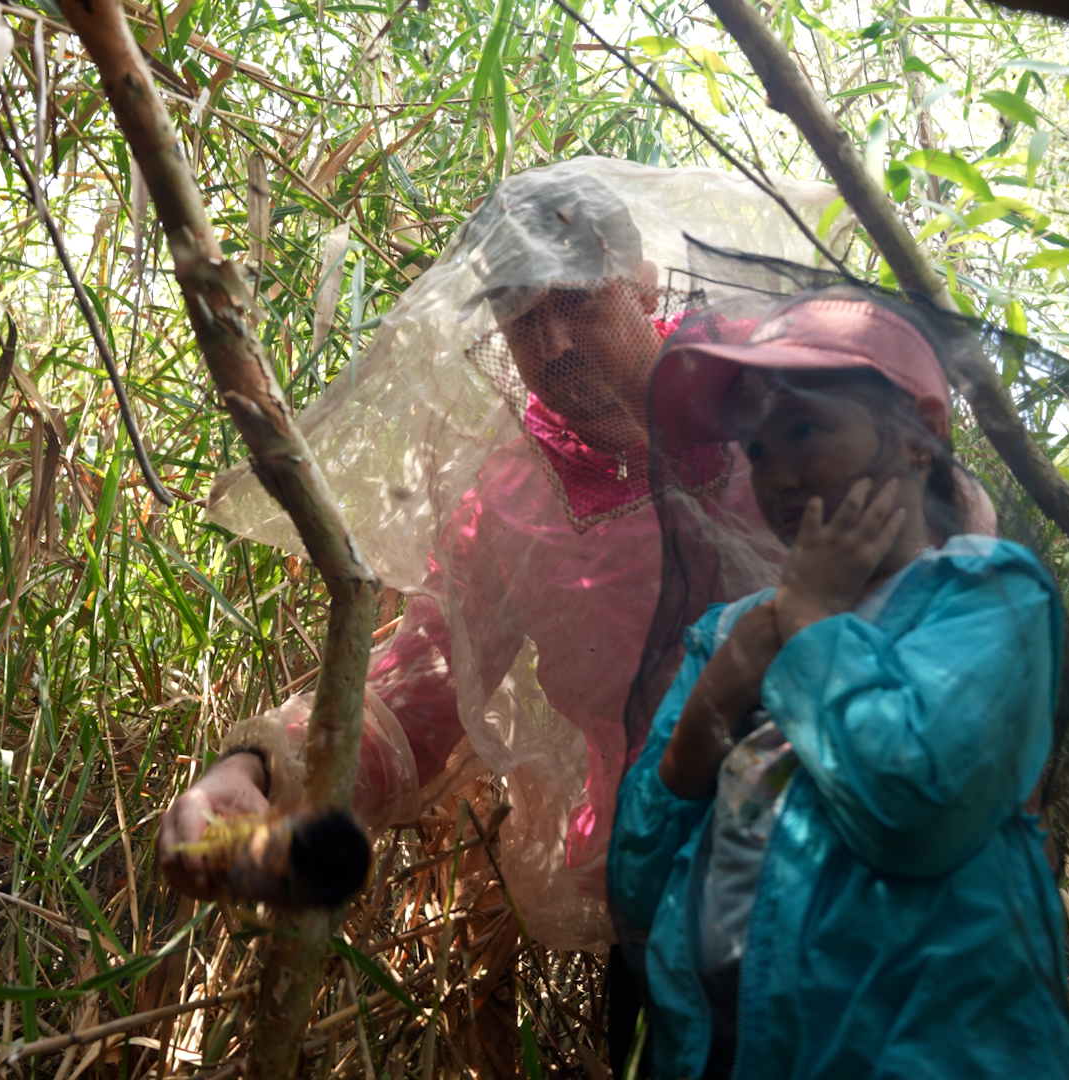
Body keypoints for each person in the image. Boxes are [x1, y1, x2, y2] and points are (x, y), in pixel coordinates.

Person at [159, 158, 840, 958]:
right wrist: (253, 770)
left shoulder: (773, 396)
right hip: (667, 902)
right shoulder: (515, 502)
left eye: (577, 302)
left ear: (643, 283)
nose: (550, 346)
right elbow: (425, 676)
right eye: (518, 318)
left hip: (857, 849)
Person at [610, 284, 1069, 1079]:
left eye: (806, 430)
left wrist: (813, 625)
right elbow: (634, 882)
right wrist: (712, 703)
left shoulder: (990, 595)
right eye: (760, 451)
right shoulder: (732, 633)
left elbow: (913, 811)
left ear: (921, 435)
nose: (778, 478)